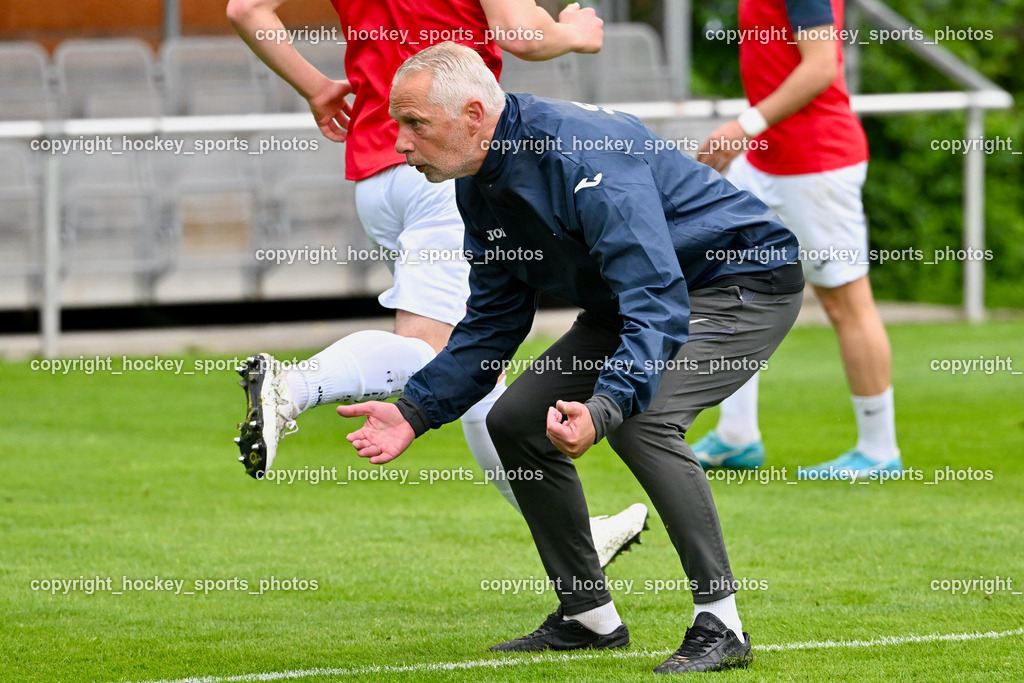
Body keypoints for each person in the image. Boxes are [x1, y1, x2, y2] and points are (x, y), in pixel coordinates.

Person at [339, 42, 805, 674]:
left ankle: (721, 622)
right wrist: (414, 412)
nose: (399, 143)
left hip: (739, 281)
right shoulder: (479, 187)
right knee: (512, 420)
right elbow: (494, 323)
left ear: (474, 115)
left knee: (643, 419)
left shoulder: (583, 154)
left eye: (414, 123)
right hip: (638, 297)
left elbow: (656, 298)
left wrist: (607, 404)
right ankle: (588, 616)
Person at [226, 0, 648, 566]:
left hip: (378, 175)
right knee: (437, 352)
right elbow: (521, 35)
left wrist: (316, 87)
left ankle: (575, 533)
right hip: (442, 161)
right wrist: (573, 32)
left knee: (475, 367)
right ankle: (293, 388)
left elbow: (245, 9)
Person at [693, 0, 901, 480]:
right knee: (730, 287)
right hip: (765, 163)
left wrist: (742, 128)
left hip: (816, 163)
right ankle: (737, 434)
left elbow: (821, 66)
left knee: (845, 302)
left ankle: (878, 450)